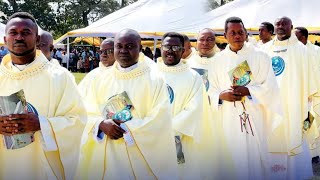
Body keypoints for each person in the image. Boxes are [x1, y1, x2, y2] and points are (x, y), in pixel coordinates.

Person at [77, 29, 178, 179]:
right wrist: (100, 124)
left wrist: (125, 128)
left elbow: (160, 120)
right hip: (105, 153)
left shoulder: (155, 80)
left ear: (140, 49)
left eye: (130, 46)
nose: (123, 50)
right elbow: (83, 111)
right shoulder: (99, 79)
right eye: (119, 46)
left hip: (139, 156)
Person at [0, 12, 86, 180]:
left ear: (38, 40)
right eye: (13, 32)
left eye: (26, 32)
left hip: (42, 168)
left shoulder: (60, 77)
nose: (19, 37)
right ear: (5, 39)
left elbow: (78, 120)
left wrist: (42, 124)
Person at [210, 17, 285, 179]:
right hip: (227, 118)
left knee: (255, 158)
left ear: (245, 34)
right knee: (231, 159)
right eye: (233, 33)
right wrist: (221, 96)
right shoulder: (216, 61)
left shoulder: (261, 56)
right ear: (225, 35)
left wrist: (249, 91)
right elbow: (210, 91)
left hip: (255, 116)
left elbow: (271, 88)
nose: (237, 36)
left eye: (240, 32)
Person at [157, 32, 233, 179]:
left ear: (183, 50)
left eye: (175, 47)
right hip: (152, 136)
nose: (170, 50)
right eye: (167, 47)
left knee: (180, 172)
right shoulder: (151, 74)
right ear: (161, 48)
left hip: (180, 136)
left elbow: (194, 109)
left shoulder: (193, 77)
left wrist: (167, 129)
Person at [261, 16, 320, 180]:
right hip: (269, 106)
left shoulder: (302, 51)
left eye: (284, 24)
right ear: (274, 27)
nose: (280, 26)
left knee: (295, 135)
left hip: (295, 104)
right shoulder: (264, 50)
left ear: (291, 27)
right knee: (271, 136)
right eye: (278, 24)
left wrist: (308, 95)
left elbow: (313, 77)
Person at [295, 26, 320, 163]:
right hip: (300, 95)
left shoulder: (317, 51)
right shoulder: (293, 51)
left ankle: (316, 152)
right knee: (305, 123)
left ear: (304, 37)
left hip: (316, 95)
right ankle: (308, 153)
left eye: (296, 36)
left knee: (315, 122)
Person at [187, 28, 219, 95]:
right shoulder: (188, 64)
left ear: (215, 42)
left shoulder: (224, 61)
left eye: (210, 40)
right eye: (201, 39)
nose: (205, 43)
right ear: (196, 42)